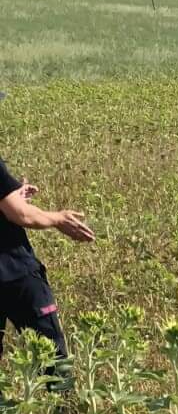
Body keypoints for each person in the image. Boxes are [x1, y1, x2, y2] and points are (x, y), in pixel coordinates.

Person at [0, 109, 94, 370]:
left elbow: (9, 205)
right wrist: (58, 218)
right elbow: (22, 215)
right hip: (13, 270)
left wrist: (13, 196)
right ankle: (63, 396)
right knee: (52, 356)